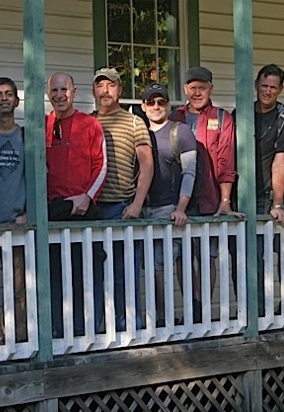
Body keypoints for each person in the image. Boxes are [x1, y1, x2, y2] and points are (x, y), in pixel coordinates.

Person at [171, 66, 241, 322]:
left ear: (211, 88)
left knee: (207, 255)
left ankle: (203, 310)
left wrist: (225, 199)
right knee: (182, 257)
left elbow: (226, 162)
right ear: (185, 89)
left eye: (202, 87)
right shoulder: (174, 116)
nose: (197, 92)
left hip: (210, 198)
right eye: (192, 87)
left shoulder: (222, 118)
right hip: (178, 199)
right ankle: (190, 306)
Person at [46, 72, 107, 337]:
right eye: (55, 90)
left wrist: (87, 197)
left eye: (64, 90)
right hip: (53, 212)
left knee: (85, 275)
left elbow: (101, 164)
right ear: (48, 94)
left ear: (74, 91)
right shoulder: (42, 125)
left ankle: (85, 331)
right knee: (55, 276)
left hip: (84, 211)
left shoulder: (90, 124)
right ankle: (58, 331)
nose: (60, 95)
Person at [93, 67, 153, 331]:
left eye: (111, 85)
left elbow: (147, 164)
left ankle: (128, 328)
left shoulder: (133, 122)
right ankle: (93, 329)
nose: (105, 91)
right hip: (92, 210)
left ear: (120, 89)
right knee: (91, 276)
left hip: (122, 207)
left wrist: (137, 204)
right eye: (100, 86)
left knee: (124, 275)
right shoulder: (87, 121)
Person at [240, 64, 284, 315]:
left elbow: (281, 162)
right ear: (256, 85)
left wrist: (277, 203)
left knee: (262, 255)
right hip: (240, 195)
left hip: (265, 196)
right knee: (239, 256)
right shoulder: (240, 113)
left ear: (280, 89)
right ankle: (247, 309)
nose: (268, 91)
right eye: (264, 85)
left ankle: (263, 312)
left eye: (273, 87)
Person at [140, 83, 196, 327]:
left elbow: (190, 172)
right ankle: (161, 317)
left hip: (169, 210)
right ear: (143, 106)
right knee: (151, 268)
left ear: (168, 105)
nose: (156, 107)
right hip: (144, 210)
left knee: (162, 266)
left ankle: (177, 317)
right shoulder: (139, 131)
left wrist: (181, 207)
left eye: (161, 102)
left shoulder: (180, 131)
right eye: (151, 102)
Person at [0, 77, 27, 343]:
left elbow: (37, 179)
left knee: (18, 288)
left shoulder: (26, 137)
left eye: (8, 94)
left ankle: (13, 337)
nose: (3, 98)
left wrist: (29, 213)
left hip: (17, 223)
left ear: (17, 101)